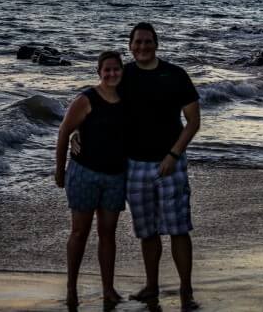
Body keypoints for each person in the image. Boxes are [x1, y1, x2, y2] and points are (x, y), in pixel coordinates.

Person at [120, 22, 201, 311]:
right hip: (135, 165)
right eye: (137, 42)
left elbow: (193, 121)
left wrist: (173, 155)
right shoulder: (123, 75)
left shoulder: (175, 75)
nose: (142, 47)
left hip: (171, 163)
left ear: (157, 44)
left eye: (148, 42)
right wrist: (77, 131)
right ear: (130, 46)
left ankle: (186, 290)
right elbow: (98, 104)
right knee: (147, 230)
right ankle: (151, 286)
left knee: (179, 228)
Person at [55, 50, 128, 308]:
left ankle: (108, 289)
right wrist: (59, 170)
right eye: (106, 70)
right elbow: (64, 132)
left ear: (122, 70)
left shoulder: (128, 99)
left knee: (108, 234)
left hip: (116, 176)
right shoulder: (86, 99)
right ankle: (71, 289)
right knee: (79, 233)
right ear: (99, 72)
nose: (111, 74)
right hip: (84, 173)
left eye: (116, 69)